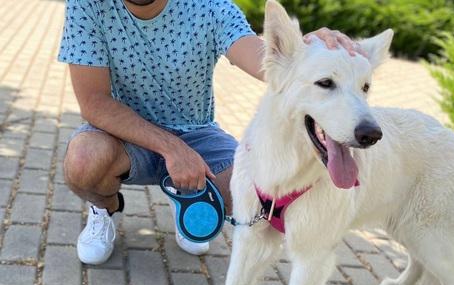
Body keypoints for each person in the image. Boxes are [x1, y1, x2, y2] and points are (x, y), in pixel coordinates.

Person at [59, 0, 361, 264]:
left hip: (197, 133)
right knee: (84, 160)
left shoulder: (209, 5)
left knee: (251, 191)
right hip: (123, 134)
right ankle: (106, 209)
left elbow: (267, 62)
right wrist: (173, 149)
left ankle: (190, 198)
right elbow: (94, 102)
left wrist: (306, 53)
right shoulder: (88, 4)